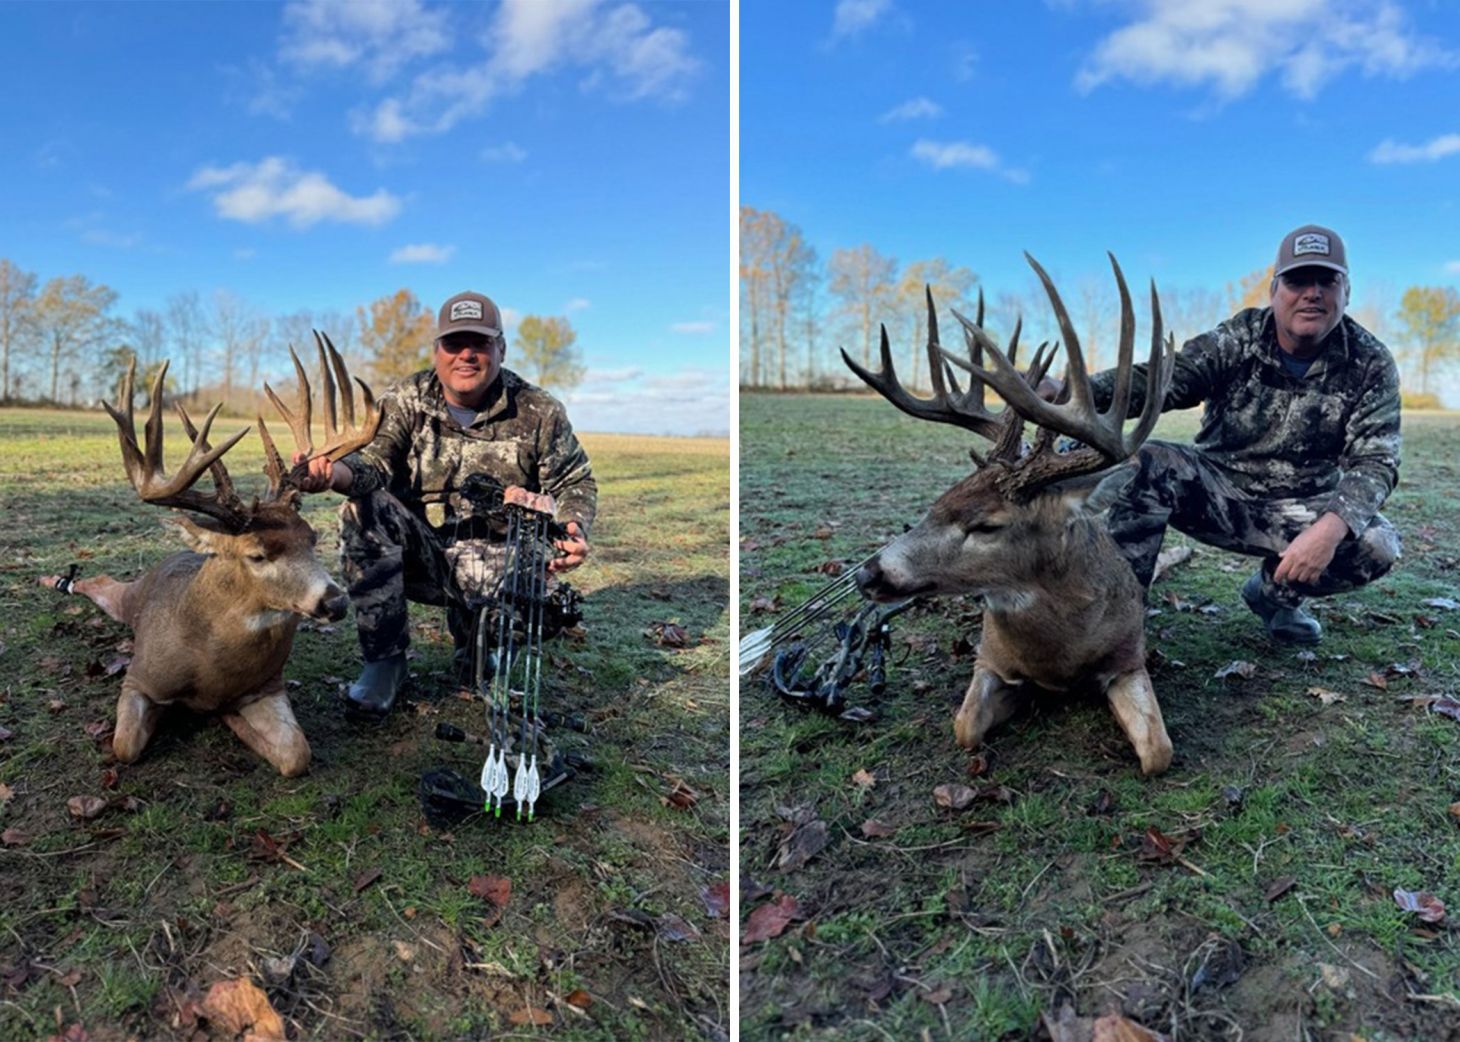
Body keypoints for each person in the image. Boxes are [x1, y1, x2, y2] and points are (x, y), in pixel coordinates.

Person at [1083, 224, 1402, 645]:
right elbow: (1164, 379)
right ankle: (1117, 620)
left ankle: (1273, 595)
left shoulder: (1370, 361)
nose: (1312, 293)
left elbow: (1376, 461)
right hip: (1216, 491)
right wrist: (1080, 390)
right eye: (1297, 280)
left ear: (1346, 291)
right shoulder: (1240, 338)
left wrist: (1329, 529)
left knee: (1377, 544)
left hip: (1301, 510)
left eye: (1327, 280)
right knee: (1145, 464)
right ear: (1274, 290)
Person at [296, 290, 596, 713]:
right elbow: (372, 468)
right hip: (421, 554)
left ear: (502, 349)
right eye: (454, 344)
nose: (467, 355)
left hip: (498, 558)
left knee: (531, 615)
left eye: (481, 343)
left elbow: (574, 481)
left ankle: (479, 647)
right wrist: (332, 473)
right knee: (362, 507)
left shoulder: (538, 410)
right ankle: (385, 661)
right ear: (437, 351)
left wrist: (572, 528)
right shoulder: (404, 400)